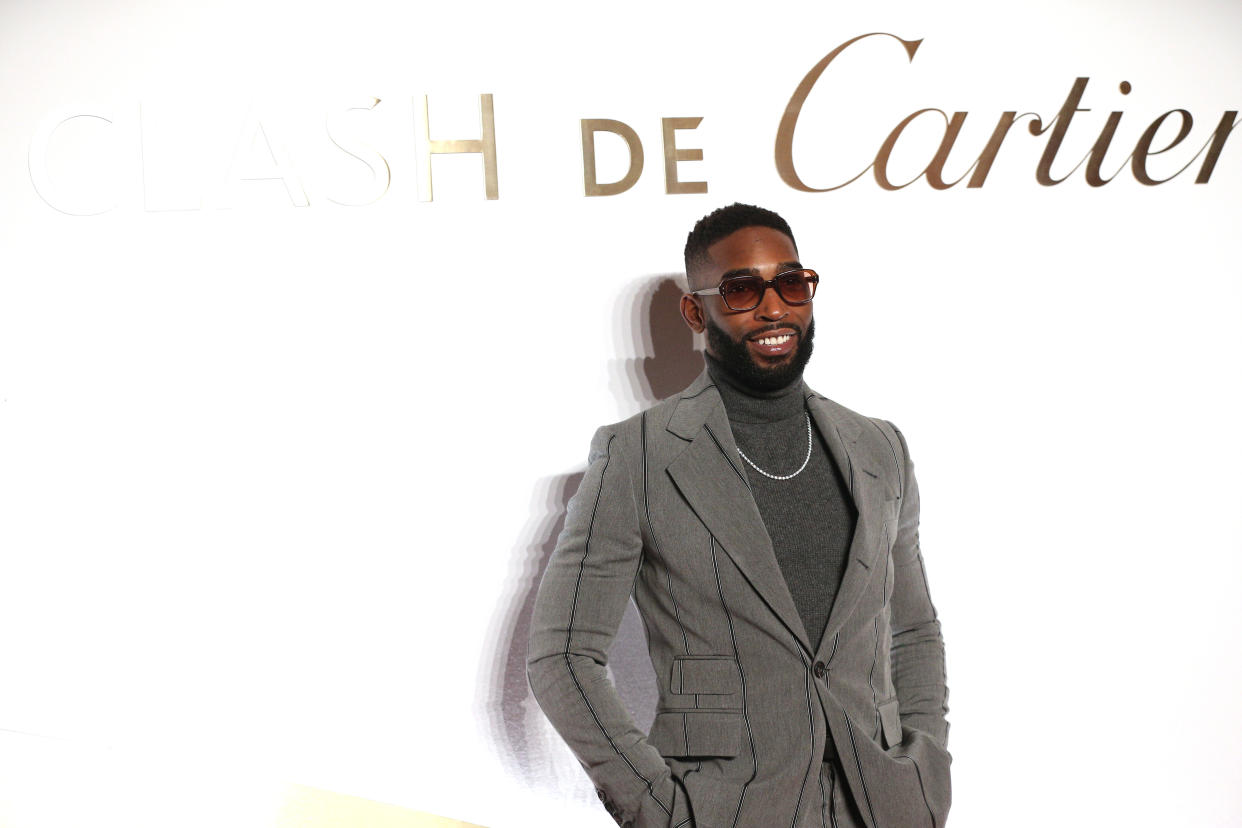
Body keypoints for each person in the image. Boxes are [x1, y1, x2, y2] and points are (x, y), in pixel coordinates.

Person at [526, 203, 950, 828]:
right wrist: (660, 810)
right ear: (697, 312)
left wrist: (925, 773)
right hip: (727, 809)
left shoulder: (880, 447)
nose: (774, 307)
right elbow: (561, 655)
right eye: (742, 289)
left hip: (883, 808)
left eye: (791, 282)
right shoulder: (637, 455)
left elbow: (912, 631)